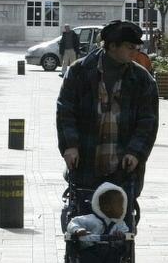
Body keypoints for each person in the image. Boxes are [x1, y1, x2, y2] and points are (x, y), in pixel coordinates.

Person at [57, 20, 159, 213]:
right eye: (130, 47)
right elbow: (65, 111)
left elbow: (148, 122)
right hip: (85, 167)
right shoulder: (79, 72)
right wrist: (70, 146)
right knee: (82, 231)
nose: (134, 52)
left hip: (123, 171)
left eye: (136, 47)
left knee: (120, 235)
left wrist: (135, 153)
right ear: (112, 46)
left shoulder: (143, 80)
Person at [66, 183, 130, 263]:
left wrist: (122, 235)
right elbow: (73, 223)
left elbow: (126, 232)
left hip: (110, 250)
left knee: (115, 259)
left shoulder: (119, 223)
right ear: (103, 206)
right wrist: (77, 230)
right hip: (90, 250)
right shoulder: (89, 219)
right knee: (88, 261)